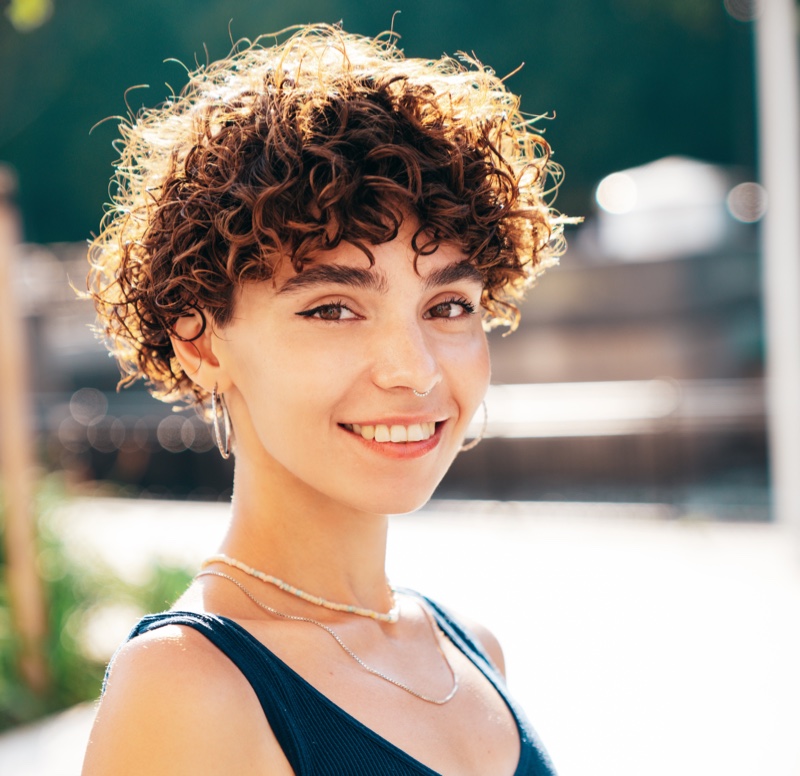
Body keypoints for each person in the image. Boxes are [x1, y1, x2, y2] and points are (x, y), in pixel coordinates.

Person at [81, 23, 569, 776]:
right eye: (334, 308)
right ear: (201, 340)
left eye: (447, 307)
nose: (414, 371)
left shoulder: (470, 649)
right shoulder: (188, 688)